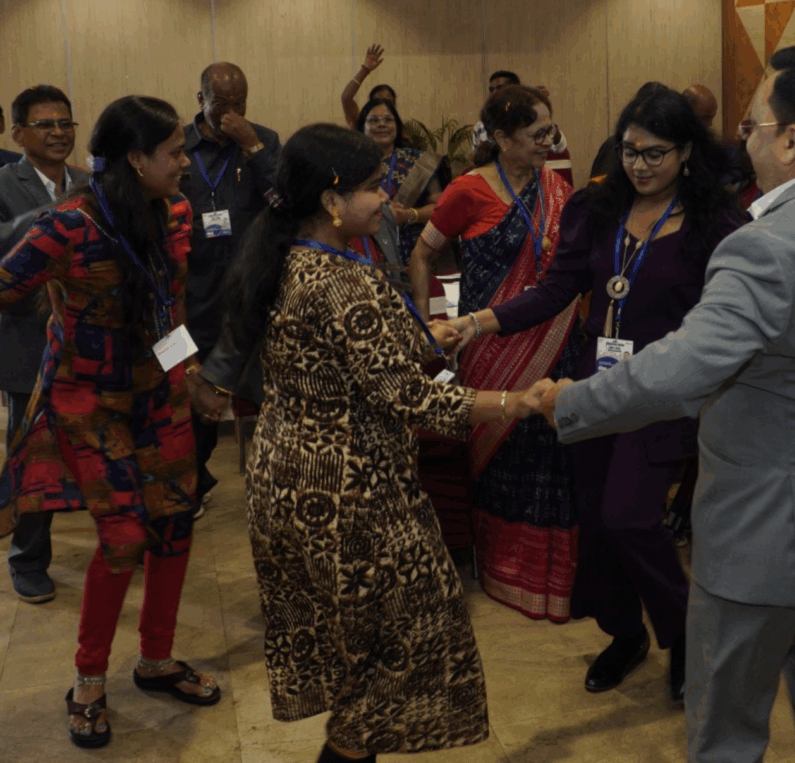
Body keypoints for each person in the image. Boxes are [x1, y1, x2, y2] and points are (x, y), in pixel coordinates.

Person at [538, 46, 795, 763]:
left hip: (768, 535)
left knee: (725, 728)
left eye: (753, 124)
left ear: (790, 140)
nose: (744, 139)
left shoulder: (764, 247)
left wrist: (572, 401)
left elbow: (678, 373)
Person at [220, 123, 552, 763]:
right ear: (330, 200)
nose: (387, 201)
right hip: (352, 496)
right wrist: (517, 402)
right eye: (374, 188)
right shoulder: (343, 280)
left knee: (357, 650)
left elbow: (344, 360)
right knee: (406, 646)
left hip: (285, 482)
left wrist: (421, 340)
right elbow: (412, 399)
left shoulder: (284, 258)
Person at [452, 87, 743, 700]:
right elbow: (557, 289)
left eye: (655, 153)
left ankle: (685, 637)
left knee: (630, 517)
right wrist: (477, 322)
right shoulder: (597, 207)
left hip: (664, 389)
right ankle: (624, 633)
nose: (639, 165)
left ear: (687, 152)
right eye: (630, 150)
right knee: (596, 521)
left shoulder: (718, 224)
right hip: (592, 386)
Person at [0, 95, 220, 751]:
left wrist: (192, 374)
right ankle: (88, 680)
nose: (185, 162)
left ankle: (155, 660)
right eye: (174, 152)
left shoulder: (176, 212)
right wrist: (53, 321)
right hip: (88, 404)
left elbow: (169, 309)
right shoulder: (65, 226)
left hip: (160, 396)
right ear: (136, 159)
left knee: (174, 526)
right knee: (123, 538)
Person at [410, 85, 581, 621]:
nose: (549, 141)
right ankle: (503, 567)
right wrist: (428, 323)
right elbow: (422, 253)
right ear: (503, 139)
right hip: (488, 347)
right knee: (501, 453)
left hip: (555, 340)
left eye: (551, 130)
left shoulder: (558, 189)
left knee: (550, 453)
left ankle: (551, 577)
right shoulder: (467, 190)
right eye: (537, 133)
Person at [180, 62, 281, 513]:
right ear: (201, 99)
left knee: (269, 392)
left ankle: (276, 480)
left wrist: (252, 147)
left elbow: (285, 202)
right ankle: (192, 482)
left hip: (252, 289)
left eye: (240, 103)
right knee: (197, 392)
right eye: (222, 103)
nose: (231, 112)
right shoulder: (179, 145)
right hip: (195, 290)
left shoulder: (264, 140)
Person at [0, 86, 87, 604]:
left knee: (94, 449)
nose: (58, 132)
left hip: (86, 342)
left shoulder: (89, 182)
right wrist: (54, 214)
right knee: (31, 456)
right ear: (18, 134)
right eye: (45, 124)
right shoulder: (3, 183)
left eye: (65, 122)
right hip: (27, 343)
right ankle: (27, 560)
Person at [357, 97, 442, 265]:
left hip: (413, 255)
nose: (382, 124)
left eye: (388, 119)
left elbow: (440, 208)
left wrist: (409, 215)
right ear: (362, 127)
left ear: (397, 126)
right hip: (364, 252)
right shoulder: (351, 164)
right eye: (374, 120)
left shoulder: (419, 161)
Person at [473, 70, 574, 185]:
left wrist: (540, 114)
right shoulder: (480, 127)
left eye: (500, 88)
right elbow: (478, 158)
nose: (494, 93)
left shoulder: (553, 186)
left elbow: (560, 147)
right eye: (491, 89)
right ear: (502, 138)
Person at [341, 43, 392, 128]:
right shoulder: (362, 123)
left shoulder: (398, 127)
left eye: (387, 101)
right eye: (377, 101)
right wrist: (365, 70)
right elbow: (346, 98)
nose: (383, 104)